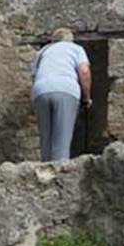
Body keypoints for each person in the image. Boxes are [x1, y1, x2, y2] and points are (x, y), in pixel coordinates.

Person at [31, 27, 91, 162]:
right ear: (70, 39)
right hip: (66, 88)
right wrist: (86, 98)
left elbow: (34, 75)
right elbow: (84, 71)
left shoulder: (42, 52)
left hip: (41, 90)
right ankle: (59, 175)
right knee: (62, 138)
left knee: (46, 139)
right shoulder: (75, 48)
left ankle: (44, 174)